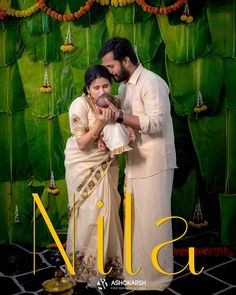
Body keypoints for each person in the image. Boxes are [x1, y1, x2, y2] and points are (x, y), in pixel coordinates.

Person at [98, 37, 177, 292]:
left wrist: (120, 115)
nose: (109, 73)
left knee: (155, 222)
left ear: (126, 61)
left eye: (111, 67)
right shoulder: (123, 89)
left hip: (155, 162)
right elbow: (127, 125)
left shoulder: (152, 83)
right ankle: (139, 275)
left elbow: (155, 123)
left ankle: (158, 279)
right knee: (137, 221)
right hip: (135, 162)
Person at [64, 65, 123, 288]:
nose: (101, 91)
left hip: (107, 163)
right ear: (88, 89)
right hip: (83, 165)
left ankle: (108, 264)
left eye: (105, 85)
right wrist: (100, 122)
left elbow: (121, 128)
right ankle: (84, 268)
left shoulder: (114, 100)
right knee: (88, 215)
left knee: (107, 211)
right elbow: (80, 144)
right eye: (96, 87)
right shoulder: (78, 105)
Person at [95, 93, 135, 158]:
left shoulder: (120, 114)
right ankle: (114, 150)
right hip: (111, 141)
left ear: (115, 105)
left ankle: (123, 147)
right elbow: (101, 134)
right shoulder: (103, 121)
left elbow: (128, 124)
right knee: (107, 128)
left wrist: (132, 133)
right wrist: (100, 141)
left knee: (118, 125)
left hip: (123, 137)